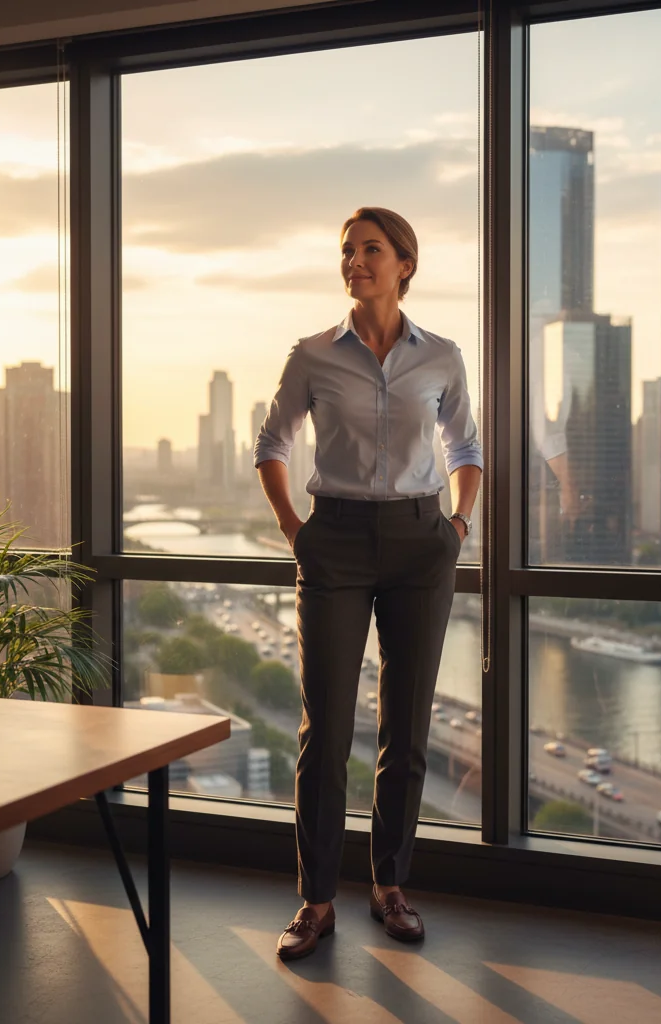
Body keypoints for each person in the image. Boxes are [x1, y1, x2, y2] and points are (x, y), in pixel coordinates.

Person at [253, 206, 482, 961]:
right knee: (325, 728)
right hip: (337, 542)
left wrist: (458, 524)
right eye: (347, 251)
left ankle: (391, 887)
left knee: (406, 729)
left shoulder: (442, 356)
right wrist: (297, 530)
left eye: (371, 250)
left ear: (404, 264)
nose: (356, 261)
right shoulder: (313, 355)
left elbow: (467, 446)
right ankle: (316, 901)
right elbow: (272, 442)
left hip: (423, 544)